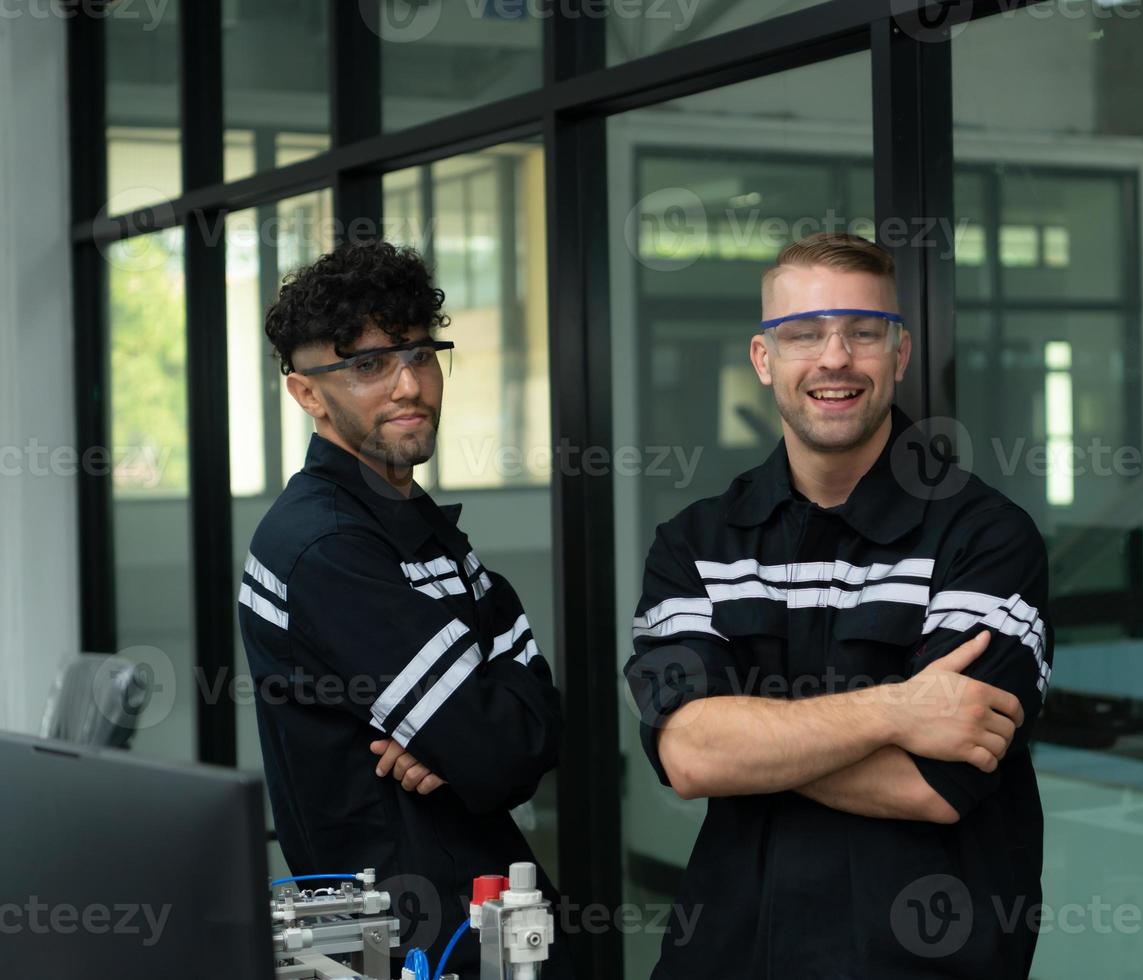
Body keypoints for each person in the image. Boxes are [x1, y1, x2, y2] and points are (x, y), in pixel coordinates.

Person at [625, 232, 1053, 977]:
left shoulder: (984, 538)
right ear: (764, 359)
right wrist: (897, 711)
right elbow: (690, 755)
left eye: (862, 331)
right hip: (728, 960)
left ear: (901, 354)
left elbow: (939, 784)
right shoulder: (696, 544)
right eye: (803, 334)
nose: (834, 359)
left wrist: (746, 743)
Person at [238, 239, 570, 978]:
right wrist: (483, 724)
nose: (409, 384)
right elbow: (498, 750)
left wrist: (479, 724)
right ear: (306, 394)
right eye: (367, 365)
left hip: (481, 913)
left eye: (420, 353)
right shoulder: (324, 547)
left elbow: (538, 720)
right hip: (412, 936)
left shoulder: (412, 521)